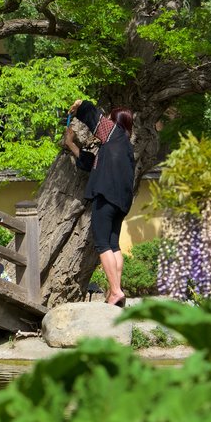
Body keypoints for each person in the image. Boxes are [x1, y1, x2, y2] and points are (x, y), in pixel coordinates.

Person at [64, 100, 135, 307]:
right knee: (113, 245)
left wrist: (80, 105)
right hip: (121, 202)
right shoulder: (123, 147)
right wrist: (71, 144)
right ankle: (117, 290)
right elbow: (91, 164)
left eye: (111, 120)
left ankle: (114, 291)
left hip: (106, 197)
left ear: (116, 122)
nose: (108, 122)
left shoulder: (115, 134)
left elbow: (94, 117)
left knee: (102, 243)